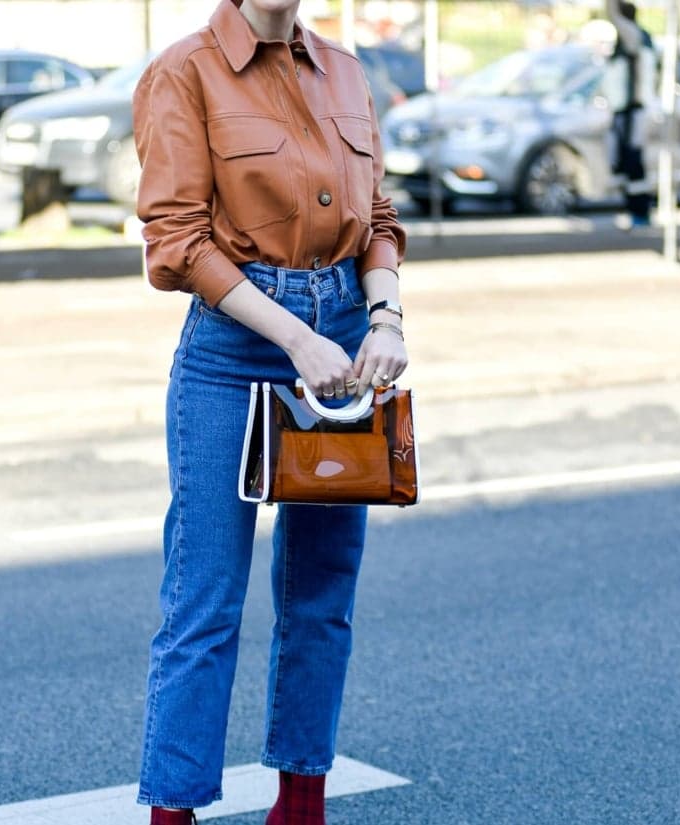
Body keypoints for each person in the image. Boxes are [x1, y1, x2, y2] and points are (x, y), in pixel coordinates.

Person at [131, 1, 407, 823]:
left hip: (348, 343)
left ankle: (301, 805)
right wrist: (296, 339)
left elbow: (379, 224)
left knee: (322, 593)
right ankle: (172, 810)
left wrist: (385, 317)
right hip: (236, 349)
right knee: (203, 603)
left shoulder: (346, 71)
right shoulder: (184, 70)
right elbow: (174, 242)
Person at [604, 0, 655, 228]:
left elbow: (613, 14)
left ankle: (639, 212)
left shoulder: (633, 36)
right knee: (626, 164)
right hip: (626, 111)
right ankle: (635, 210)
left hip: (633, 111)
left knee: (633, 163)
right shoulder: (634, 39)